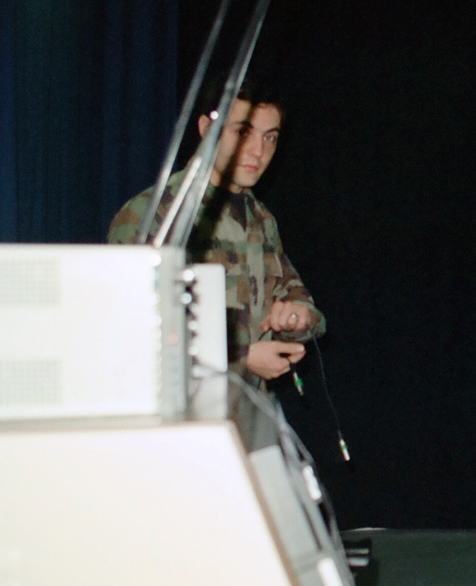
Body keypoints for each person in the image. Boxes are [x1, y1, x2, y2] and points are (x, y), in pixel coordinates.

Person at [108, 83, 325, 387]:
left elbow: (303, 305)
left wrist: (296, 319)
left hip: (247, 407)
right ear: (207, 129)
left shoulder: (261, 220)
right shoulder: (153, 215)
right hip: (181, 409)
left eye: (270, 138)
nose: (258, 151)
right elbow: (130, 328)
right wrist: (240, 357)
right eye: (243, 132)